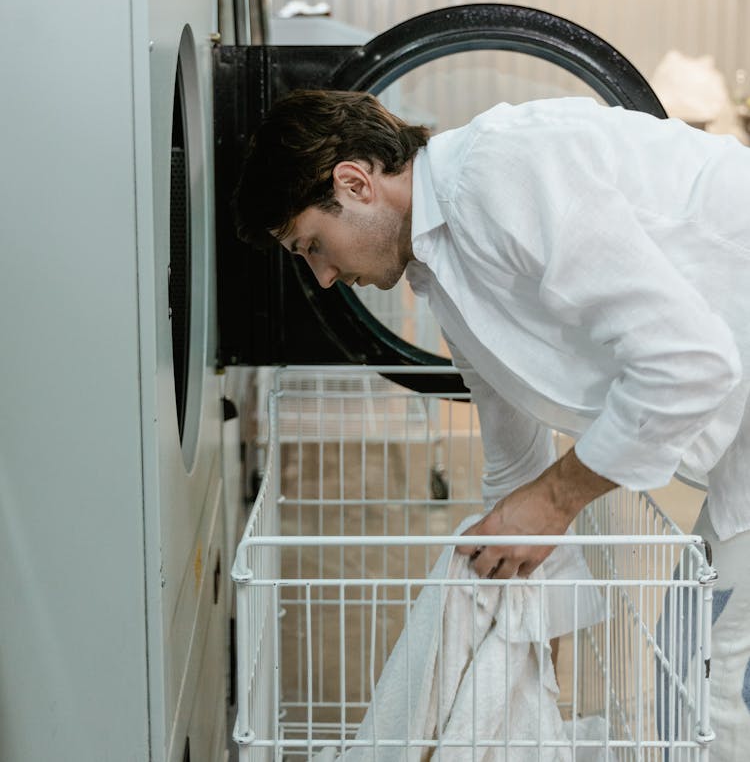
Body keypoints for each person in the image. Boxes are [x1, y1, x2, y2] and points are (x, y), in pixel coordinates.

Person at [235, 87, 750, 759]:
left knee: (713, 689)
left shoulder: (501, 172)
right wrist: (526, 632)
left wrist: (554, 503)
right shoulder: (442, 267)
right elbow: (516, 462)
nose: (325, 276)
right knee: (689, 671)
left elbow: (687, 363)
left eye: (312, 245)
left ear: (355, 182)